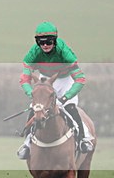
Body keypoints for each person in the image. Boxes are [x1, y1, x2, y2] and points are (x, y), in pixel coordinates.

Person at [17, 21, 94, 159]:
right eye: (41, 42)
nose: (45, 45)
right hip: (46, 81)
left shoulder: (64, 52)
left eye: (49, 41)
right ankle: (27, 143)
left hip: (66, 80)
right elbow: (24, 79)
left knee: (70, 107)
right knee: (35, 109)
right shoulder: (33, 53)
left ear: (55, 40)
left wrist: (65, 98)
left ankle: (84, 138)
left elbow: (80, 79)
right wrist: (32, 94)